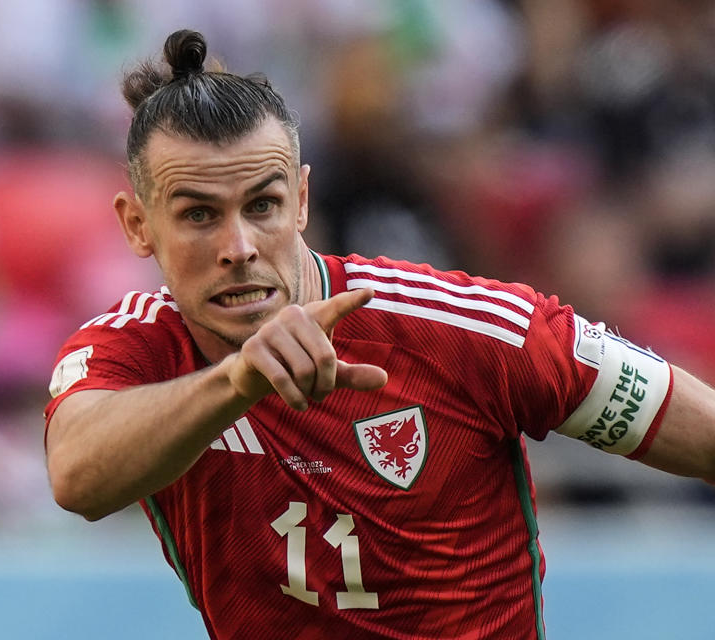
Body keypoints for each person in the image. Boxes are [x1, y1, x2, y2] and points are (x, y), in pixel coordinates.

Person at [43, 29, 715, 640]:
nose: (239, 246)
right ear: (136, 225)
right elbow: (77, 475)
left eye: (263, 205)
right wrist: (236, 381)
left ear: (302, 200)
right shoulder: (135, 350)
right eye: (197, 215)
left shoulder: (466, 331)